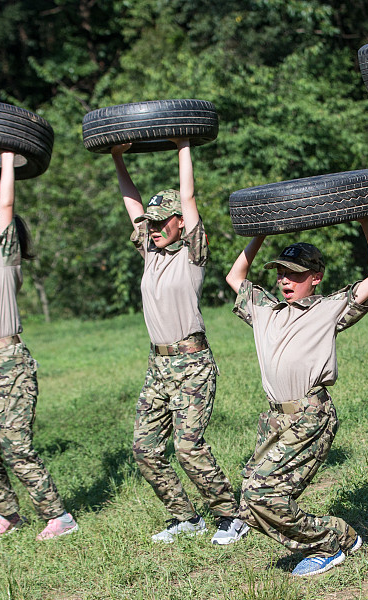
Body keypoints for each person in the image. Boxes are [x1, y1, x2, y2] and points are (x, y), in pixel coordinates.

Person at [225, 217, 368, 576]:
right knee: (250, 502)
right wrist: (259, 234)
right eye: (281, 272)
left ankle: (331, 539)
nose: (285, 280)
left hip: (309, 414)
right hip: (274, 417)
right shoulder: (264, 310)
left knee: (262, 495)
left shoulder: (327, 309)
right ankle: (333, 541)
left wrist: (366, 221)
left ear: (315, 278)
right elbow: (234, 277)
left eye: (295, 274)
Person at [111, 139, 247, 545]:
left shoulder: (192, 255)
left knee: (188, 447)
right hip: (157, 367)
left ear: (178, 225)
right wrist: (117, 158)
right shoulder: (150, 254)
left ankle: (230, 515)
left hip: (191, 364)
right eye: (150, 224)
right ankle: (185, 517)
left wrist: (182, 144)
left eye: (161, 223)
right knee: (144, 448)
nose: (152, 228)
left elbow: (188, 197)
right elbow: (132, 204)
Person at [0, 152, 77, 542]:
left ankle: (59, 516)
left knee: (15, 444)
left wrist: (7, 156)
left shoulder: (4, 261)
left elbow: (6, 205)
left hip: (11, 364)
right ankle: (9, 515)